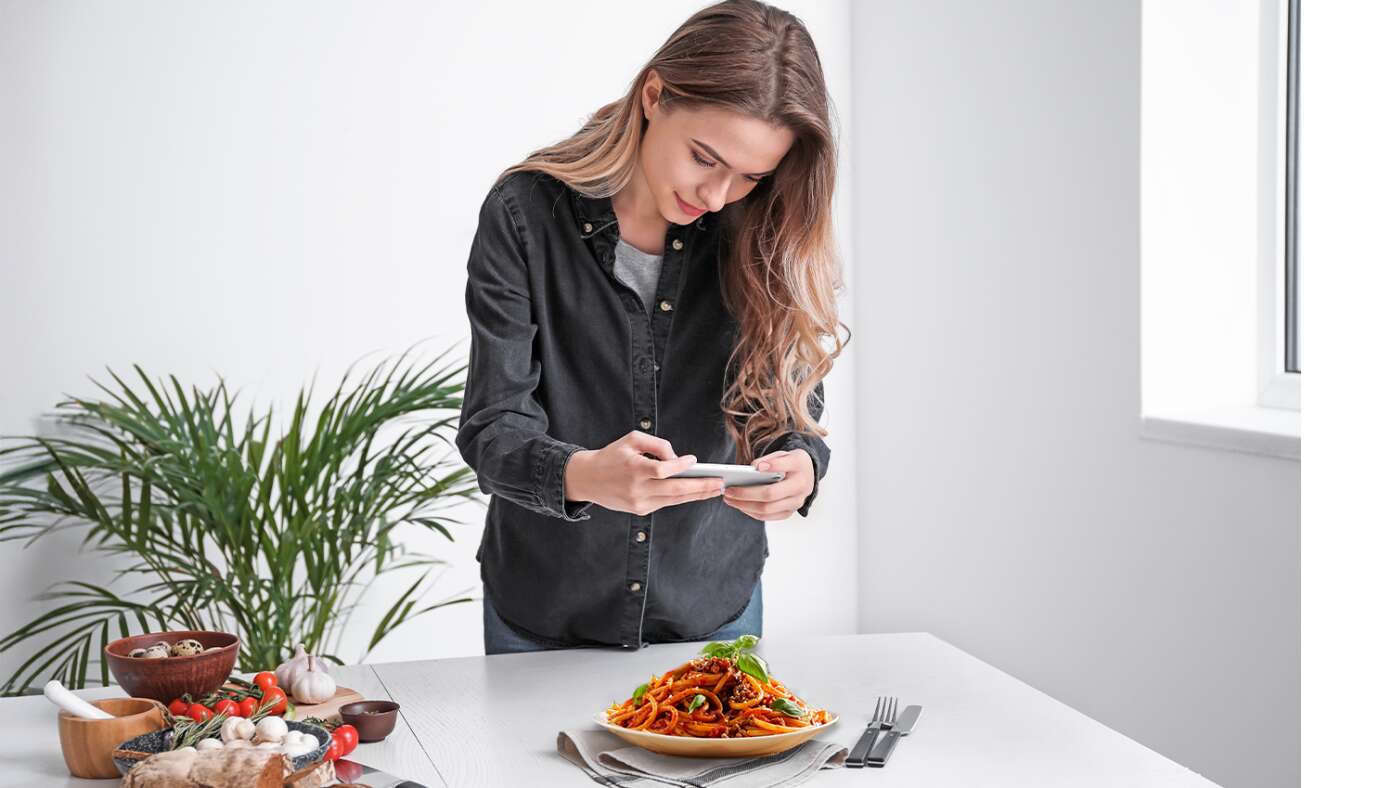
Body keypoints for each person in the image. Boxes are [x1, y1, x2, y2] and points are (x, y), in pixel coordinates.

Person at [456, 0, 849, 655]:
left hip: (711, 609)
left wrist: (800, 467)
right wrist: (585, 475)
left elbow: (790, 413)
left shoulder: (765, 232)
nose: (719, 195)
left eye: (751, 176)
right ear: (655, 95)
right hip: (545, 612)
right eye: (705, 157)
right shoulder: (524, 215)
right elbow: (491, 429)